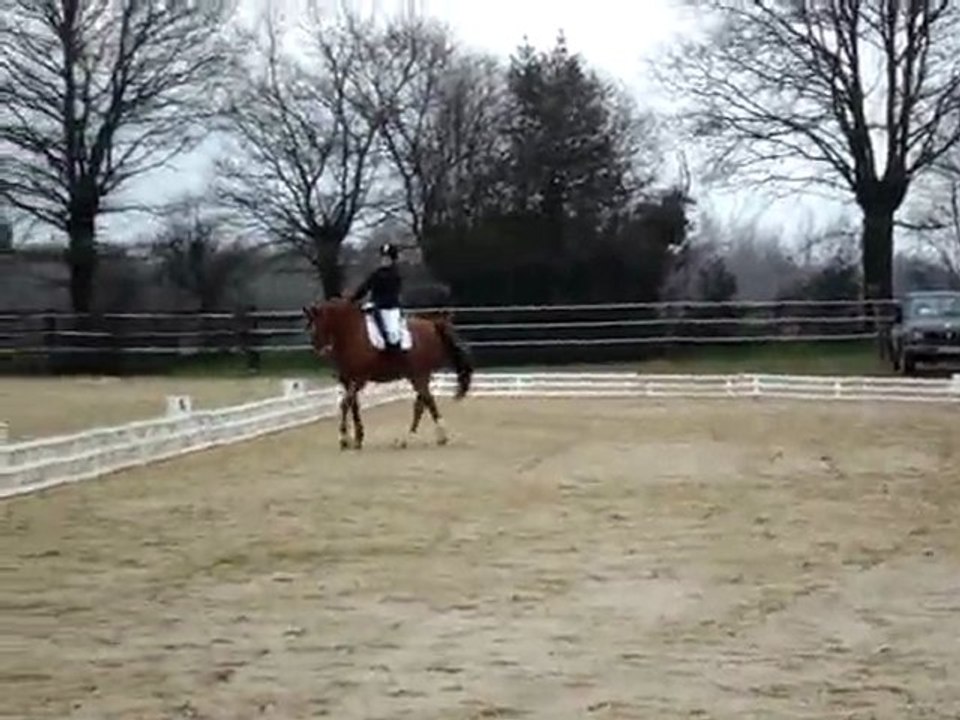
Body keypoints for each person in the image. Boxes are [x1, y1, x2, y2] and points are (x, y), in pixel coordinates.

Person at [349, 242, 404, 352]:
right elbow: (365, 287)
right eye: (383, 258)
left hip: (390, 307)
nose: (384, 260)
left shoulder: (396, 275)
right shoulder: (376, 273)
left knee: (392, 335)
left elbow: (392, 293)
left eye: (387, 258)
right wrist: (352, 299)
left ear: (393, 260)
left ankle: (393, 350)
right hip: (375, 306)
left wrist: (376, 303)